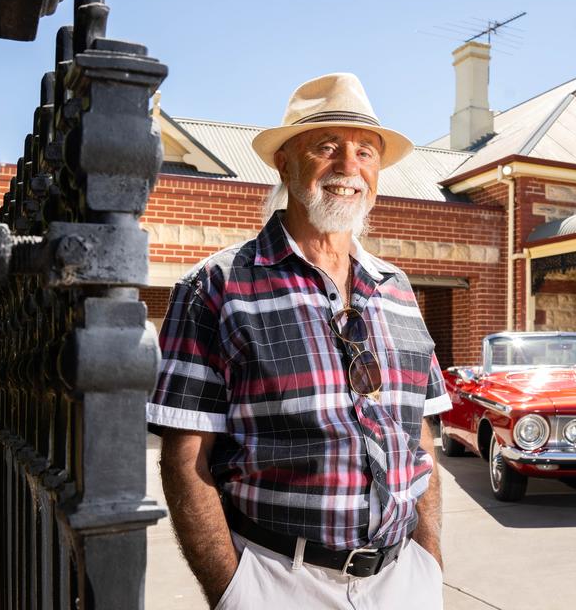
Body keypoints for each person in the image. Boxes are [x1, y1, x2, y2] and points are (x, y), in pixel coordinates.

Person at [147, 73, 450, 609]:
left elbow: (419, 436)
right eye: (327, 148)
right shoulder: (218, 286)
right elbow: (185, 457)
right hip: (279, 580)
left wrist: (429, 563)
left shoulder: (398, 289)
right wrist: (234, 592)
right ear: (284, 162)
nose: (349, 168)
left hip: (403, 580)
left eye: (365, 152)